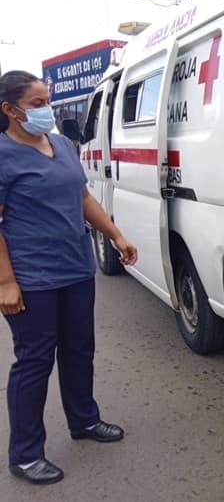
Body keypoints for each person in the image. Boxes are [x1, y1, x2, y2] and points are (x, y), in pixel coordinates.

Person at [0, 71, 138, 485]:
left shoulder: (60, 144)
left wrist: (115, 235)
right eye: (38, 104)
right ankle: (25, 454)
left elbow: (82, 197)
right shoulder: (3, 154)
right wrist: (6, 282)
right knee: (35, 360)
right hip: (32, 276)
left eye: (49, 101)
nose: (48, 111)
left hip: (76, 268)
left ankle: (84, 419)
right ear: (10, 110)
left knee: (79, 349)